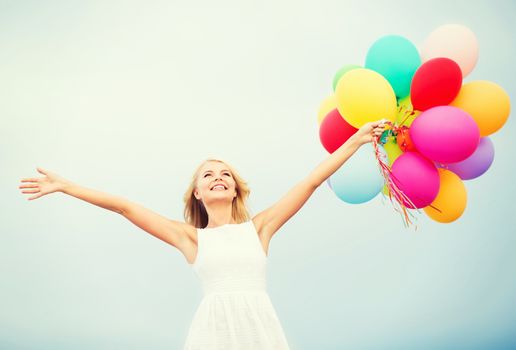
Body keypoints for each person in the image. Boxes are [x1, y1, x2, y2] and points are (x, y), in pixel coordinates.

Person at [18, 120, 386, 349]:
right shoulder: (191, 239)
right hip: (213, 332)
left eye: (225, 174)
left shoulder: (260, 228)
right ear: (197, 193)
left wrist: (355, 141)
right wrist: (67, 187)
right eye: (208, 175)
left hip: (260, 327)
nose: (218, 178)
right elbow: (124, 207)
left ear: (236, 189)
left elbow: (312, 181)